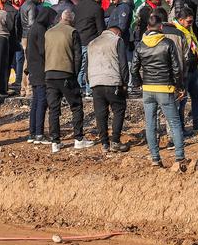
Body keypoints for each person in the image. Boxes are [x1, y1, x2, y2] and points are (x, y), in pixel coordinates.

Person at [131, 14, 185, 166]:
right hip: (165, 88)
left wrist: (140, 83)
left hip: (148, 89)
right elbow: (176, 67)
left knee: (150, 124)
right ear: (161, 27)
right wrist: (179, 86)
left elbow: (134, 69)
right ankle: (180, 157)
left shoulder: (140, 45)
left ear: (147, 28)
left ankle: (155, 158)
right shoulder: (167, 43)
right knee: (174, 122)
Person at [43, 9, 92, 153]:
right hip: (66, 73)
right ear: (71, 20)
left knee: (53, 109)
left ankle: (55, 142)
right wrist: (75, 75)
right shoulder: (73, 32)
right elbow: (78, 56)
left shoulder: (48, 32)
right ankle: (78, 139)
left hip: (50, 74)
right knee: (76, 106)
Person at [87, 24, 130, 152]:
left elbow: (86, 65)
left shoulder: (92, 43)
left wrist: (89, 81)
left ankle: (104, 143)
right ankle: (115, 141)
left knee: (100, 113)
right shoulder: (117, 40)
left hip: (95, 82)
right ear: (117, 33)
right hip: (112, 80)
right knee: (119, 109)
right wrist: (125, 83)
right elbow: (123, 63)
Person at [25, 5, 54, 144]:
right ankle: (39, 134)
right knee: (42, 102)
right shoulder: (41, 29)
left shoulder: (32, 29)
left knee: (36, 102)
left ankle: (32, 133)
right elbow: (43, 50)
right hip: (41, 69)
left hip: (33, 69)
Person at [74, 0, 107, 97]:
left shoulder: (79, 5)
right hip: (91, 40)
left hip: (78, 39)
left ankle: (78, 88)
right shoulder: (97, 9)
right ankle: (89, 89)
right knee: (89, 66)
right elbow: (101, 28)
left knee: (80, 66)